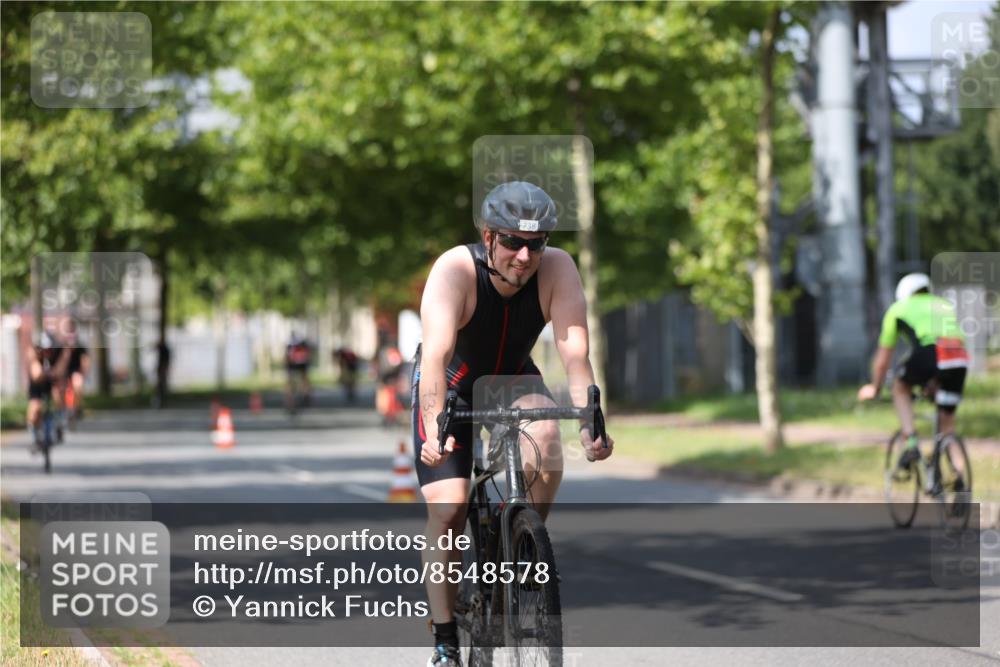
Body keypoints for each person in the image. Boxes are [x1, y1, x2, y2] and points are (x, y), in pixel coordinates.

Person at [412, 181, 614, 666]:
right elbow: (437, 356)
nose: (524, 256)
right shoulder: (454, 270)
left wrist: (590, 420)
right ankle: (444, 641)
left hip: (513, 376)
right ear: (488, 238)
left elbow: (575, 353)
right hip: (452, 383)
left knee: (547, 441)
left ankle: (521, 549)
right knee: (449, 508)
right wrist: (434, 422)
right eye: (512, 242)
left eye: (536, 244)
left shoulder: (558, 268)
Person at [858, 273, 969, 476]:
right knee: (948, 427)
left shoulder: (897, 309)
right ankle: (961, 483)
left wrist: (874, 387)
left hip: (931, 352)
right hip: (958, 357)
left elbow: (883, 360)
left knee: (900, 388)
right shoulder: (942, 304)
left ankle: (910, 443)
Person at [25, 331, 72, 448]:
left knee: (58, 393)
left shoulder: (61, 351)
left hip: (55, 380)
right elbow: (36, 374)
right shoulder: (33, 352)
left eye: (49, 350)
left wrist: (52, 372)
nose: (46, 354)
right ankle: (35, 436)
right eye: (43, 351)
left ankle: (60, 421)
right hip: (38, 383)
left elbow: (60, 370)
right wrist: (43, 371)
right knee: (34, 409)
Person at [284, 333, 313, 411]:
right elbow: (308, 356)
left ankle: (290, 403)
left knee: (290, 385)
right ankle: (306, 395)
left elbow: (287, 358)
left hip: (292, 366)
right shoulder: (303, 344)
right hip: (302, 366)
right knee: (305, 380)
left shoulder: (290, 344)